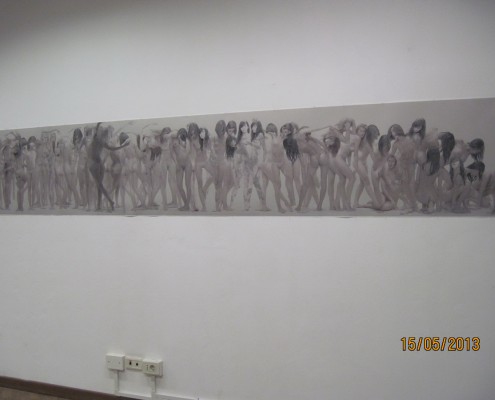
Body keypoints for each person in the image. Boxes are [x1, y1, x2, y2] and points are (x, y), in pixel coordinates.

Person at [87, 122, 129, 211]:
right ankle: (99, 206)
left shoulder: (97, 140)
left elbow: (111, 148)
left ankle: (110, 201)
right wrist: (123, 146)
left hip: (94, 165)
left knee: (99, 185)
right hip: (100, 164)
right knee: (99, 186)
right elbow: (112, 149)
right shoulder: (102, 142)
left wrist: (98, 124)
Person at [353, 124, 379, 208]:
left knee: (362, 183)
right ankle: (376, 203)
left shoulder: (366, 141)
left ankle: (355, 203)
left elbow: (373, 156)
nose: (362, 133)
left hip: (363, 163)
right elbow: (373, 158)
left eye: (364, 131)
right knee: (367, 182)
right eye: (375, 134)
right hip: (359, 162)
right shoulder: (364, 142)